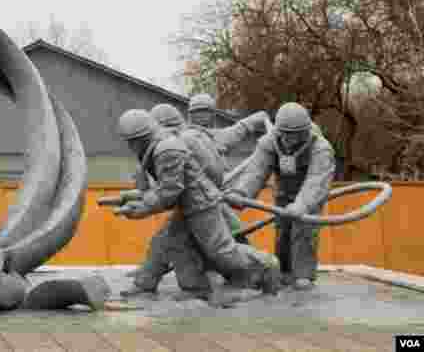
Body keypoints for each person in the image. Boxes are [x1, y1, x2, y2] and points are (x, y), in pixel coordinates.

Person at [115, 109, 281, 298]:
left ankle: (266, 265)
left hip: (200, 205)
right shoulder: (157, 146)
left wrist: (142, 208)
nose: (128, 145)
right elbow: (165, 187)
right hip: (188, 204)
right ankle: (181, 287)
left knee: (221, 251)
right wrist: (134, 197)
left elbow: (169, 192)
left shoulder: (167, 150)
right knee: (168, 242)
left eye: (129, 141)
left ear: (139, 138)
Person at [227, 102, 335, 289]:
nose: (288, 138)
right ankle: (284, 271)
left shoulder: (321, 148)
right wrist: (241, 192)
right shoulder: (269, 142)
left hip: (309, 197)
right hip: (283, 193)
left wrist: (301, 204)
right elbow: (256, 171)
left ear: (304, 132)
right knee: (282, 230)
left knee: (304, 229)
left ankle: (303, 275)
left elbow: (316, 181)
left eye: (293, 134)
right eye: (284, 133)